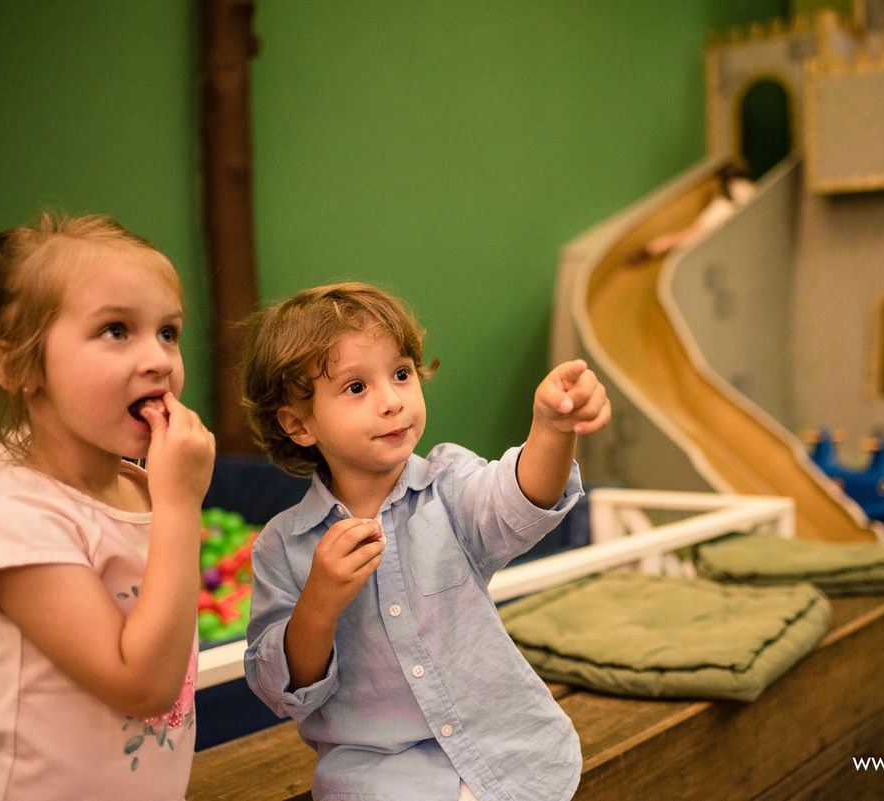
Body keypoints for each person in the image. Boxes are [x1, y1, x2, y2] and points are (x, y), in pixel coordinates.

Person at [239, 283, 610, 801]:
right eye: (355, 388)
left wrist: (552, 427)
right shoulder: (282, 547)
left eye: (401, 374)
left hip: (514, 753)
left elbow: (519, 501)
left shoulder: (449, 484)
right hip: (381, 780)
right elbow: (282, 691)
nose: (392, 402)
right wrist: (319, 602)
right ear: (299, 424)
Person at [0, 213, 216, 799]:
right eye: (116, 330)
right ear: (18, 366)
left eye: (168, 332)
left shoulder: (143, 491)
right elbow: (144, 687)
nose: (158, 359)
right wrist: (181, 503)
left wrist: (170, 498)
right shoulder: (13, 518)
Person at [630, 163, 756, 264]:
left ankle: (649, 250)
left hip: (716, 217)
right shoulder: (745, 189)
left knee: (682, 239)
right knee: (682, 239)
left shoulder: (739, 188)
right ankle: (648, 250)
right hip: (715, 219)